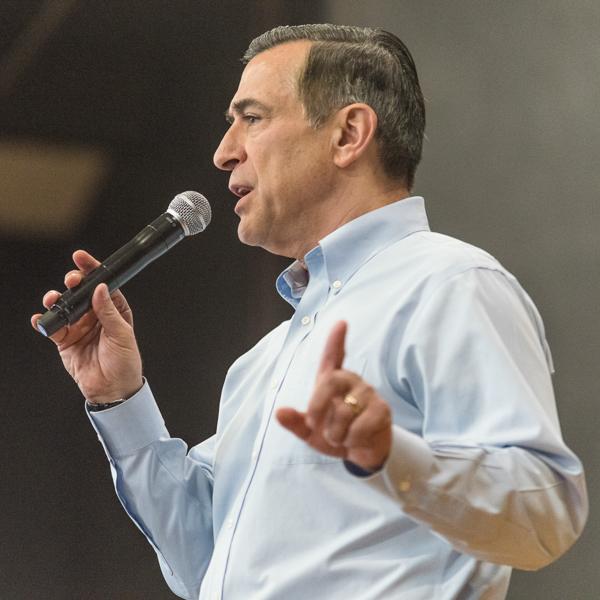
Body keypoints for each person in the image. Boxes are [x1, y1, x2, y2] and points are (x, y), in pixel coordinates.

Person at [32, 24, 587, 600]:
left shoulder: (449, 285)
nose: (224, 153)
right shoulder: (262, 362)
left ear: (348, 134)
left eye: (252, 118)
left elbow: (546, 514)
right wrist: (119, 400)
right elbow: (206, 562)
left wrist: (392, 457)